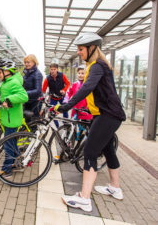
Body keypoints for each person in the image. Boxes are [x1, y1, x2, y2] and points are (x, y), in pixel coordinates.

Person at [56, 33, 126, 212]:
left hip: (108, 115)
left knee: (90, 151)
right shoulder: (98, 66)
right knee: (108, 149)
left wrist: (66, 106)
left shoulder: (96, 66)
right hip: (105, 114)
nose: (79, 52)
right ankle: (115, 188)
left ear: (91, 48)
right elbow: (101, 92)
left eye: (81, 49)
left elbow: (87, 88)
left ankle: (84, 199)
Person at [0, 58, 28, 178]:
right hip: (8, 117)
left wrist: (9, 100)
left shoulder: (13, 82)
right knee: (11, 143)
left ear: (8, 72)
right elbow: (1, 88)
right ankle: (17, 163)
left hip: (12, 119)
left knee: (8, 144)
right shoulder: (7, 82)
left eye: (0, 72)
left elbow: (24, 96)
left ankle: (7, 170)